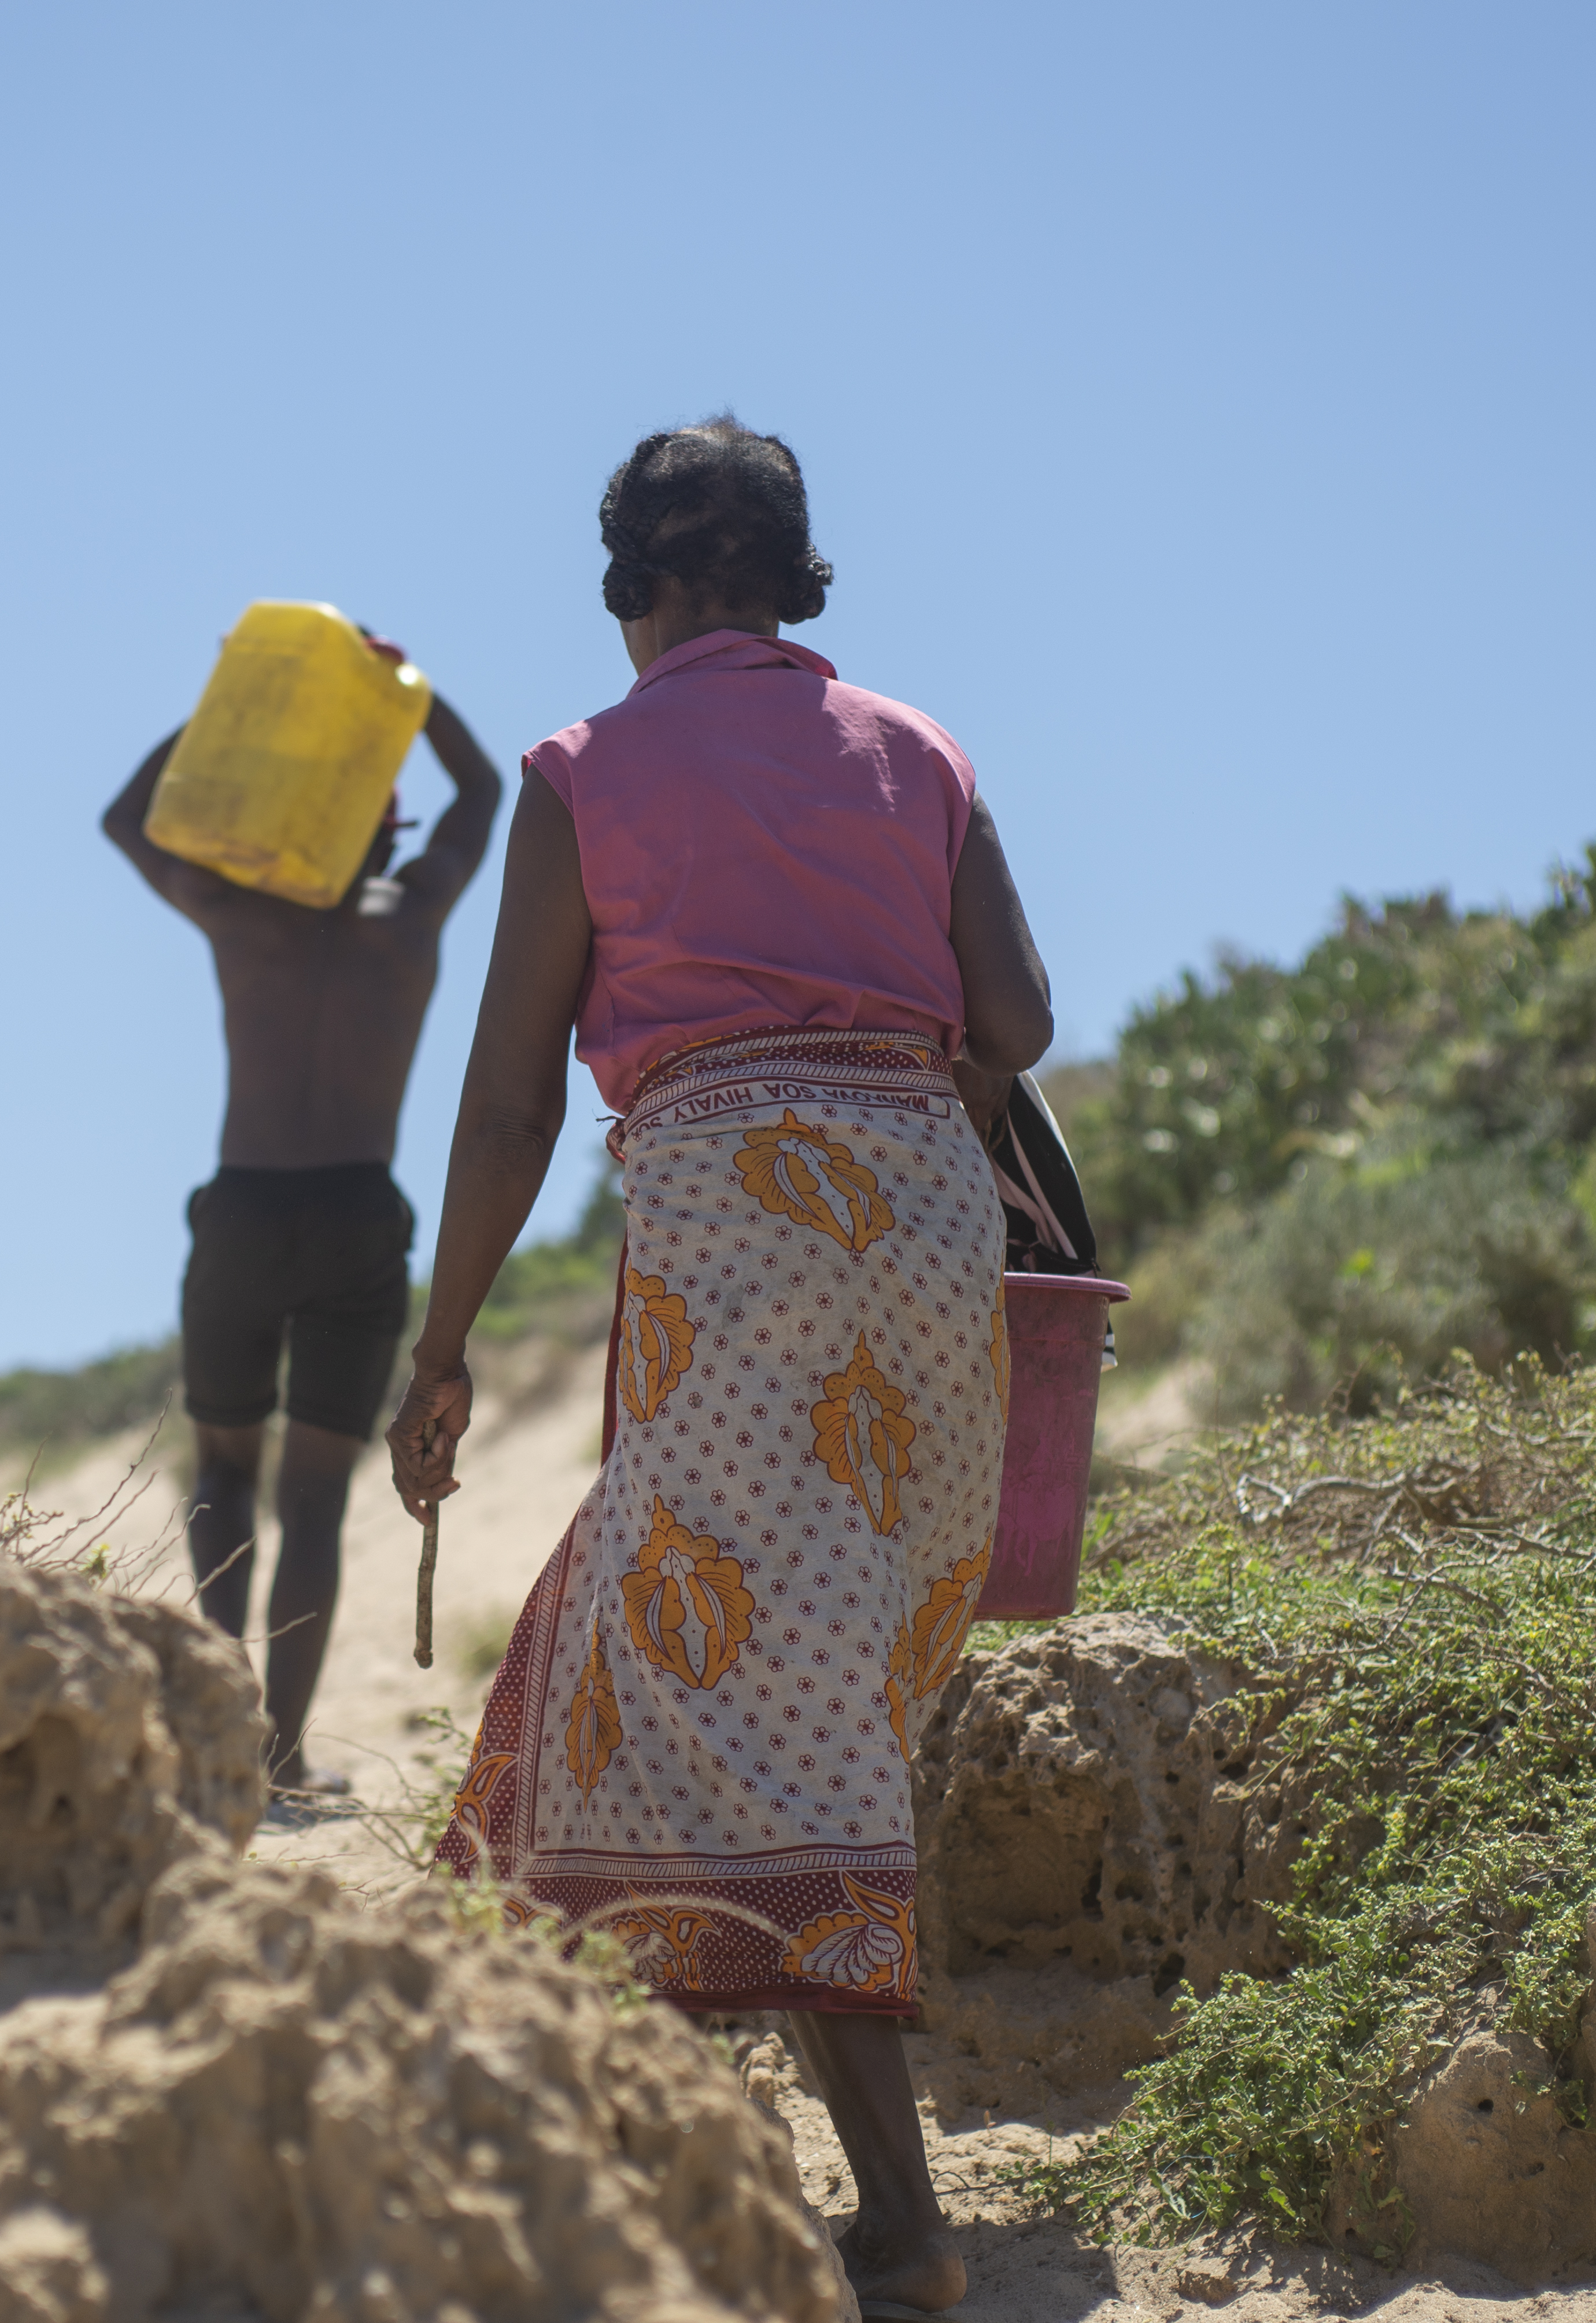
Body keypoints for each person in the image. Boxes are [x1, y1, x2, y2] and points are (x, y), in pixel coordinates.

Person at [389, 419, 1052, 2318]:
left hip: (736, 1222)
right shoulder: (915, 750)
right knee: (709, 1651)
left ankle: (906, 2230)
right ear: (789, 577)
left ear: (638, 591)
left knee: (735, 1685)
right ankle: (630, 2122)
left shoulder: (583, 770)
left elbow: (512, 1091)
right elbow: (1009, 1016)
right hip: (932, 1233)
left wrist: (439, 1348)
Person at [103, 640, 503, 1793]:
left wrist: (242, 708)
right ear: (386, 831)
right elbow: (479, 793)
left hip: (243, 1211)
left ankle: (221, 1734)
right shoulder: (410, 916)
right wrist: (408, 693)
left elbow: (128, 819)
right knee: (315, 1496)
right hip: (355, 1216)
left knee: (223, 1468)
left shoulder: (243, 915)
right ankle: (278, 1755)